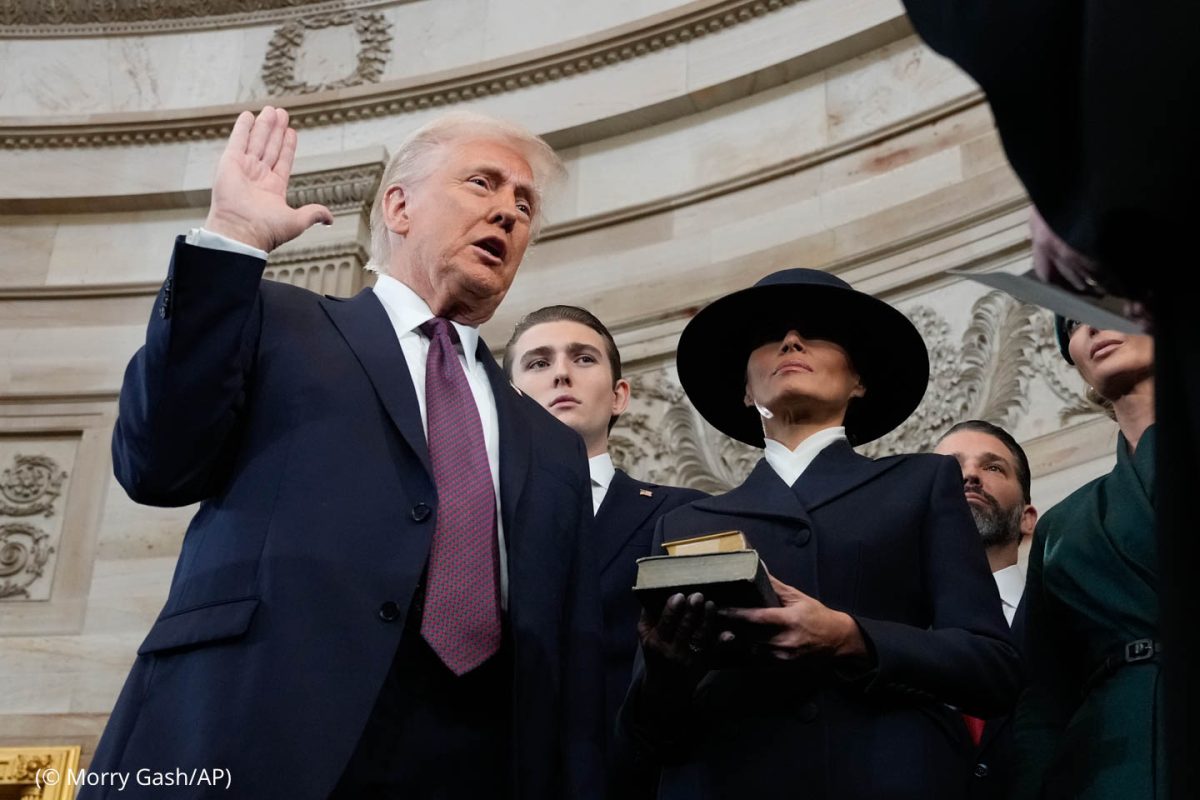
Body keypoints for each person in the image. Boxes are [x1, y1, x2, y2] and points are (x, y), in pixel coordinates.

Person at [84, 106, 603, 800]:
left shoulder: (553, 446)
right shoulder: (278, 322)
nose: (508, 213)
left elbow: (566, 662)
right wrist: (232, 239)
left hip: (476, 766)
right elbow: (155, 462)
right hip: (252, 734)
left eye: (524, 204)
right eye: (483, 184)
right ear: (398, 206)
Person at [618, 268, 1021, 800]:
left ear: (859, 381)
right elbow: (645, 738)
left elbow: (992, 668)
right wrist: (667, 667)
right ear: (745, 389)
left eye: (818, 332)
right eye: (770, 336)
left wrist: (850, 636)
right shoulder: (686, 523)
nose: (790, 341)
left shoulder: (921, 484)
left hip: (885, 776)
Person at [505, 304, 706, 799]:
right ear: (508, 401)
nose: (561, 374)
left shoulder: (685, 516)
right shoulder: (466, 521)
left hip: (636, 777)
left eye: (583, 359)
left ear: (620, 396)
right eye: (537, 363)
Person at [1013, 319, 1161, 800]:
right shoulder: (1063, 524)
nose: (1093, 323)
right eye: (1073, 321)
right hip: (1107, 764)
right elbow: (1041, 704)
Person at [934, 420, 1038, 799]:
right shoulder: (890, 627)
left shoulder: (1066, 613)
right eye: (951, 468)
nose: (970, 476)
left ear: (1028, 518)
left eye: (992, 467)